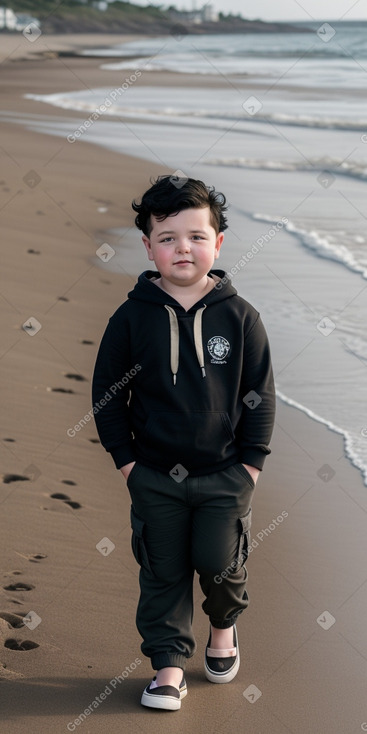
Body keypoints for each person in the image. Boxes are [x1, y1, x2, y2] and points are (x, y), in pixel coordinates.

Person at [92, 174, 276, 711]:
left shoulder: (240, 318)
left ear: (217, 243)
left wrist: (251, 467)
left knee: (219, 561)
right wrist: (127, 462)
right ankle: (168, 666)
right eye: (168, 237)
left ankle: (224, 627)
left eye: (197, 236)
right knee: (162, 569)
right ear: (148, 246)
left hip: (225, 474)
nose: (183, 248)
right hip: (152, 474)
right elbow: (106, 394)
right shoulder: (131, 317)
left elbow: (259, 395)